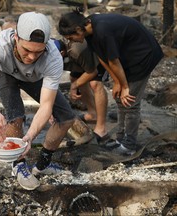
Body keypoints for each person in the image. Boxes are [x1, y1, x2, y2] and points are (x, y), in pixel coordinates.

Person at [0, 12, 75, 190]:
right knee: (15, 116)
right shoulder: (0, 45)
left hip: (35, 78)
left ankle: (43, 164)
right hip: (6, 74)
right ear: (16, 37)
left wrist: (30, 137)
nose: (31, 57)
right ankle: (18, 165)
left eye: (38, 52)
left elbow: (46, 105)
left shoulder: (53, 57)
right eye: (27, 50)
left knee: (67, 118)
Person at [58, 10, 164, 155]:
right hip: (127, 57)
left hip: (143, 56)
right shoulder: (89, 29)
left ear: (77, 29)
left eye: (71, 37)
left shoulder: (102, 31)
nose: (71, 41)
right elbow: (103, 57)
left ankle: (129, 145)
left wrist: (125, 85)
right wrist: (117, 82)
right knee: (120, 98)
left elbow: (113, 60)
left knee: (130, 103)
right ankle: (120, 139)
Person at [54, 39, 109, 144]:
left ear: (61, 53)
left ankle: (101, 128)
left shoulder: (76, 51)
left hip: (96, 59)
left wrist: (74, 87)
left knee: (95, 84)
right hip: (81, 62)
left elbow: (92, 72)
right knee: (75, 79)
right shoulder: (48, 52)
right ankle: (93, 114)